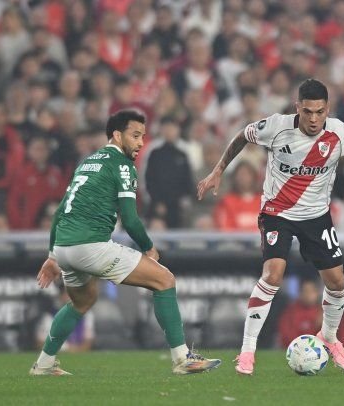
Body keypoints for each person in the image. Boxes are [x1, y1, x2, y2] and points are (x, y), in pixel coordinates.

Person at [197, 79, 344, 375]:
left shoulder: (340, 133)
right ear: (297, 107)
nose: (314, 119)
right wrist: (218, 171)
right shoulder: (276, 127)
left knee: (337, 283)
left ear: (328, 109)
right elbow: (242, 136)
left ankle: (329, 337)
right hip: (277, 213)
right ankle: (247, 350)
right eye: (308, 112)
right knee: (273, 274)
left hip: (316, 216)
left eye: (320, 112)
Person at [30, 109, 220, 376]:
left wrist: (52, 256)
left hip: (64, 248)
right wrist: (148, 247)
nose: (141, 142)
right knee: (164, 280)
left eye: (143, 136)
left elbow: (60, 211)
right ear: (117, 136)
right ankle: (182, 358)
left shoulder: (88, 162)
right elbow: (130, 220)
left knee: (82, 302)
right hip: (91, 246)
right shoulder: (122, 165)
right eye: (135, 135)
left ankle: (44, 364)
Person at [278, 279, 322, 348]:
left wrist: (321, 326)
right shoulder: (291, 311)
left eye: (312, 291)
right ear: (300, 293)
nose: (308, 295)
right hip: (294, 349)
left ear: (317, 293)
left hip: (317, 350)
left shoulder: (323, 313)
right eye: (305, 291)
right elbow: (285, 335)